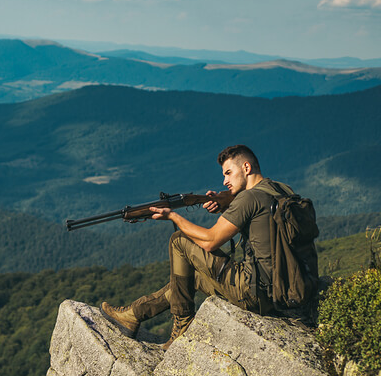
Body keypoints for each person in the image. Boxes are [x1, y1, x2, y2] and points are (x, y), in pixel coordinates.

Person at [102, 144, 296, 349]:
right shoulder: (281, 190)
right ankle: (133, 315)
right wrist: (227, 205)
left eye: (229, 173)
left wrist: (173, 216)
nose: (225, 181)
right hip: (284, 292)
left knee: (179, 241)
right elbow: (263, 228)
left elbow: (210, 241)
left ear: (246, 168)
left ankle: (183, 324)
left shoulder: (248, 199)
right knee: (188, 279)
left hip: (254, 295)